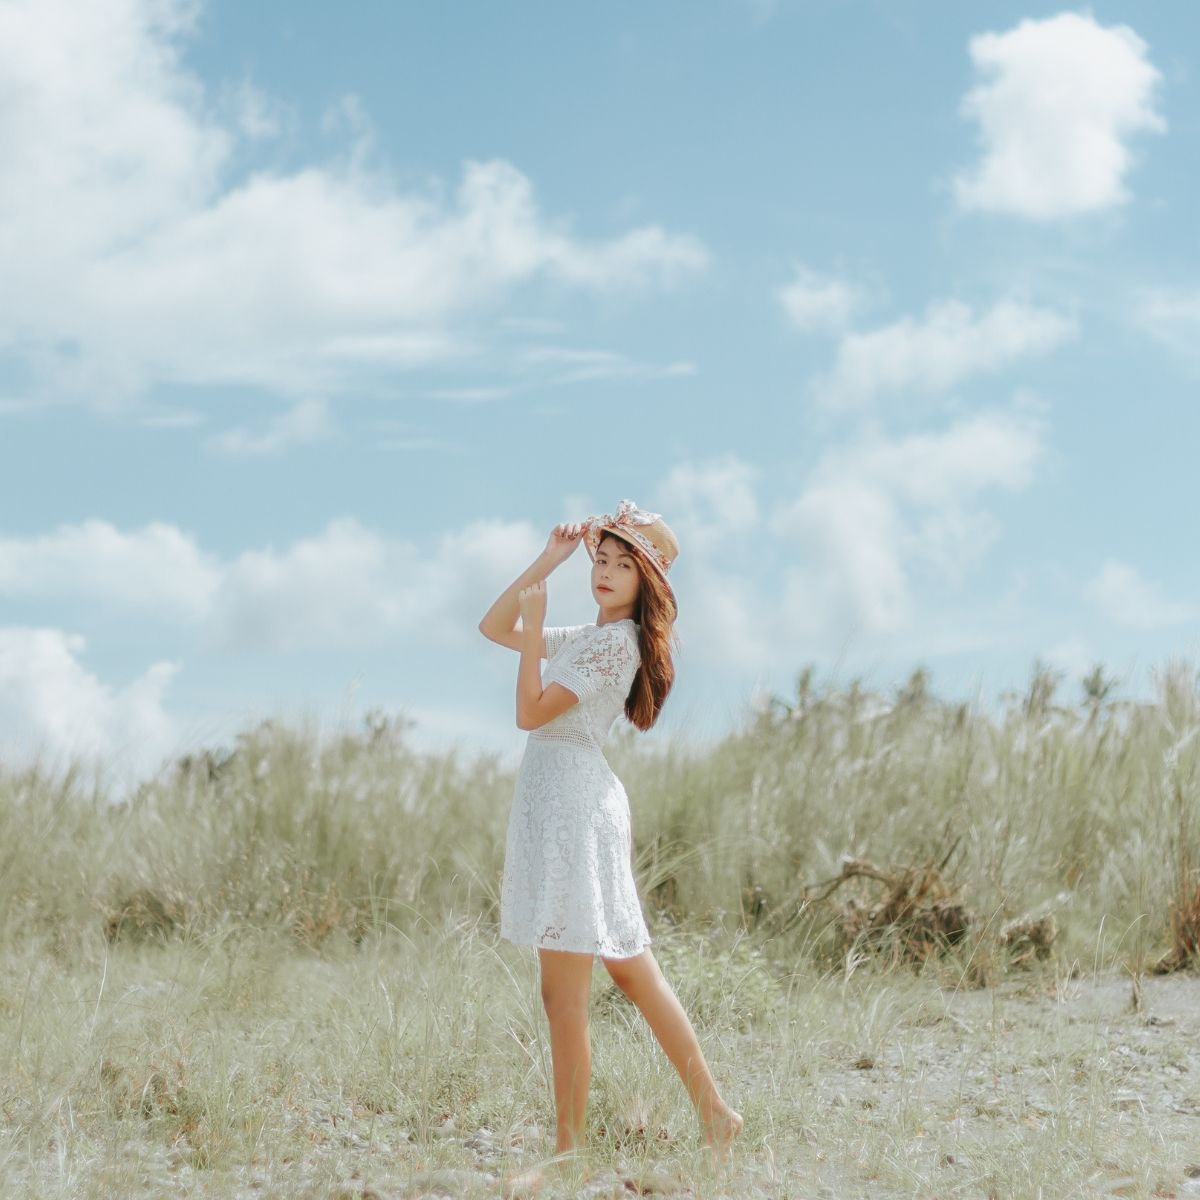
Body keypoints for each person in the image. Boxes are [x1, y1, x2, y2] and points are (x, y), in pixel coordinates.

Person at [478, 499, 743, 1194]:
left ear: (643, 582)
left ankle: (569, 1154)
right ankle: (715, 1114)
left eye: (623, 564)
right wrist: (546, 561)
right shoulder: (589, 637)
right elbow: (492, 626)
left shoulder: (612, 644)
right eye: (600, 558)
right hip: (568, 801)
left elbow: (529, 713)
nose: (604, 571)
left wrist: (537, 625)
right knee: (628, 969)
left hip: (574, 805)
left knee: (566, 993)